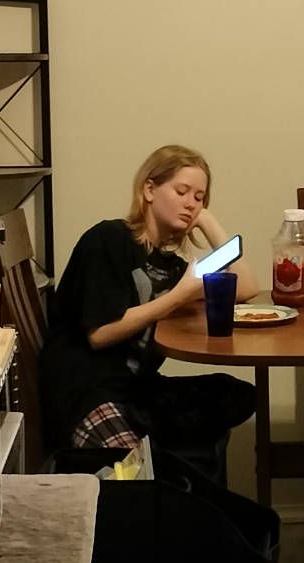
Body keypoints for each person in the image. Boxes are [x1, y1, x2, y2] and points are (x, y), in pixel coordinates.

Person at [40, 144, 260, 485]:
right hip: (86, 391)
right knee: (137, 481)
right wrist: (178, 297)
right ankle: (163, 482)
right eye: (181, 191)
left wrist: (208, 222)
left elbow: (246, 287)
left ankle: (176, 476)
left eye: (200, 198)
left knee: (237, 395)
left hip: (137, 390)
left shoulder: (172, 268)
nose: (191, 203)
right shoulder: (108, 239)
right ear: (149, 189)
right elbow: (100, 333)